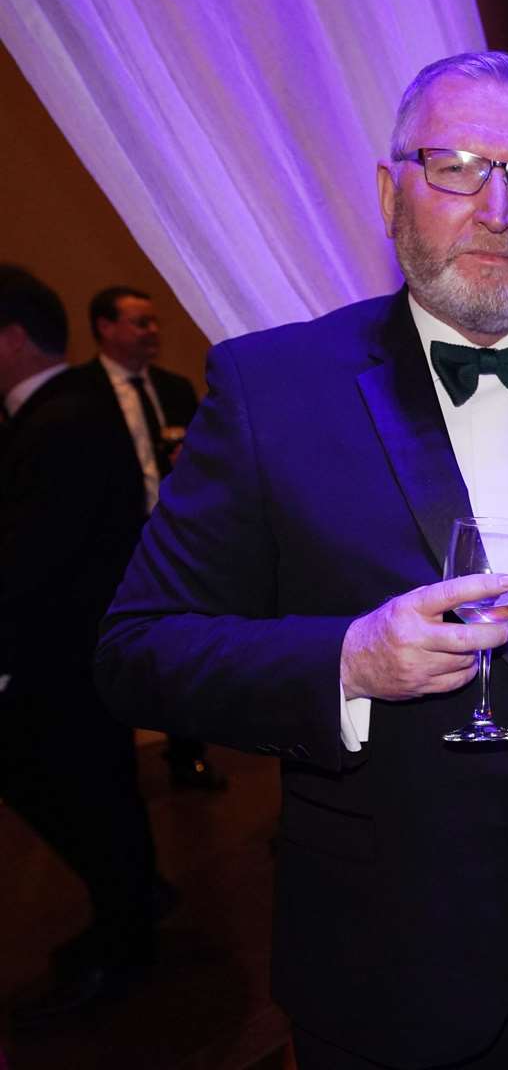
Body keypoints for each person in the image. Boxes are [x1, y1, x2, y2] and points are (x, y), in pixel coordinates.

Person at [94, 51, 508, 1069]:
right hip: (384, 976)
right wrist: (347, 662)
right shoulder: (274, 391)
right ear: (389, 190)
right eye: (456, 166)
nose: (497, 207)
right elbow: (138, 648)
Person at [0, 266, 165, 1024]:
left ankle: (125, 940)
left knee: (84, 798)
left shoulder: (60, 420)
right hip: (79, 652)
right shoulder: (72, 409)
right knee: (98, 796)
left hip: (65, 657)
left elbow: (33, 560)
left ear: (11, 339)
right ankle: (128, 918)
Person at [86, 285, 225, 790]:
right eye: (140, 322)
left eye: (154, 323)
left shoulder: (175, 388)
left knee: (176, 643)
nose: (153, 332)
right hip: (108, 542)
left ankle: (186, 751)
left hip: (170, 537)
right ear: (104, 326)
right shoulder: (82, 394)